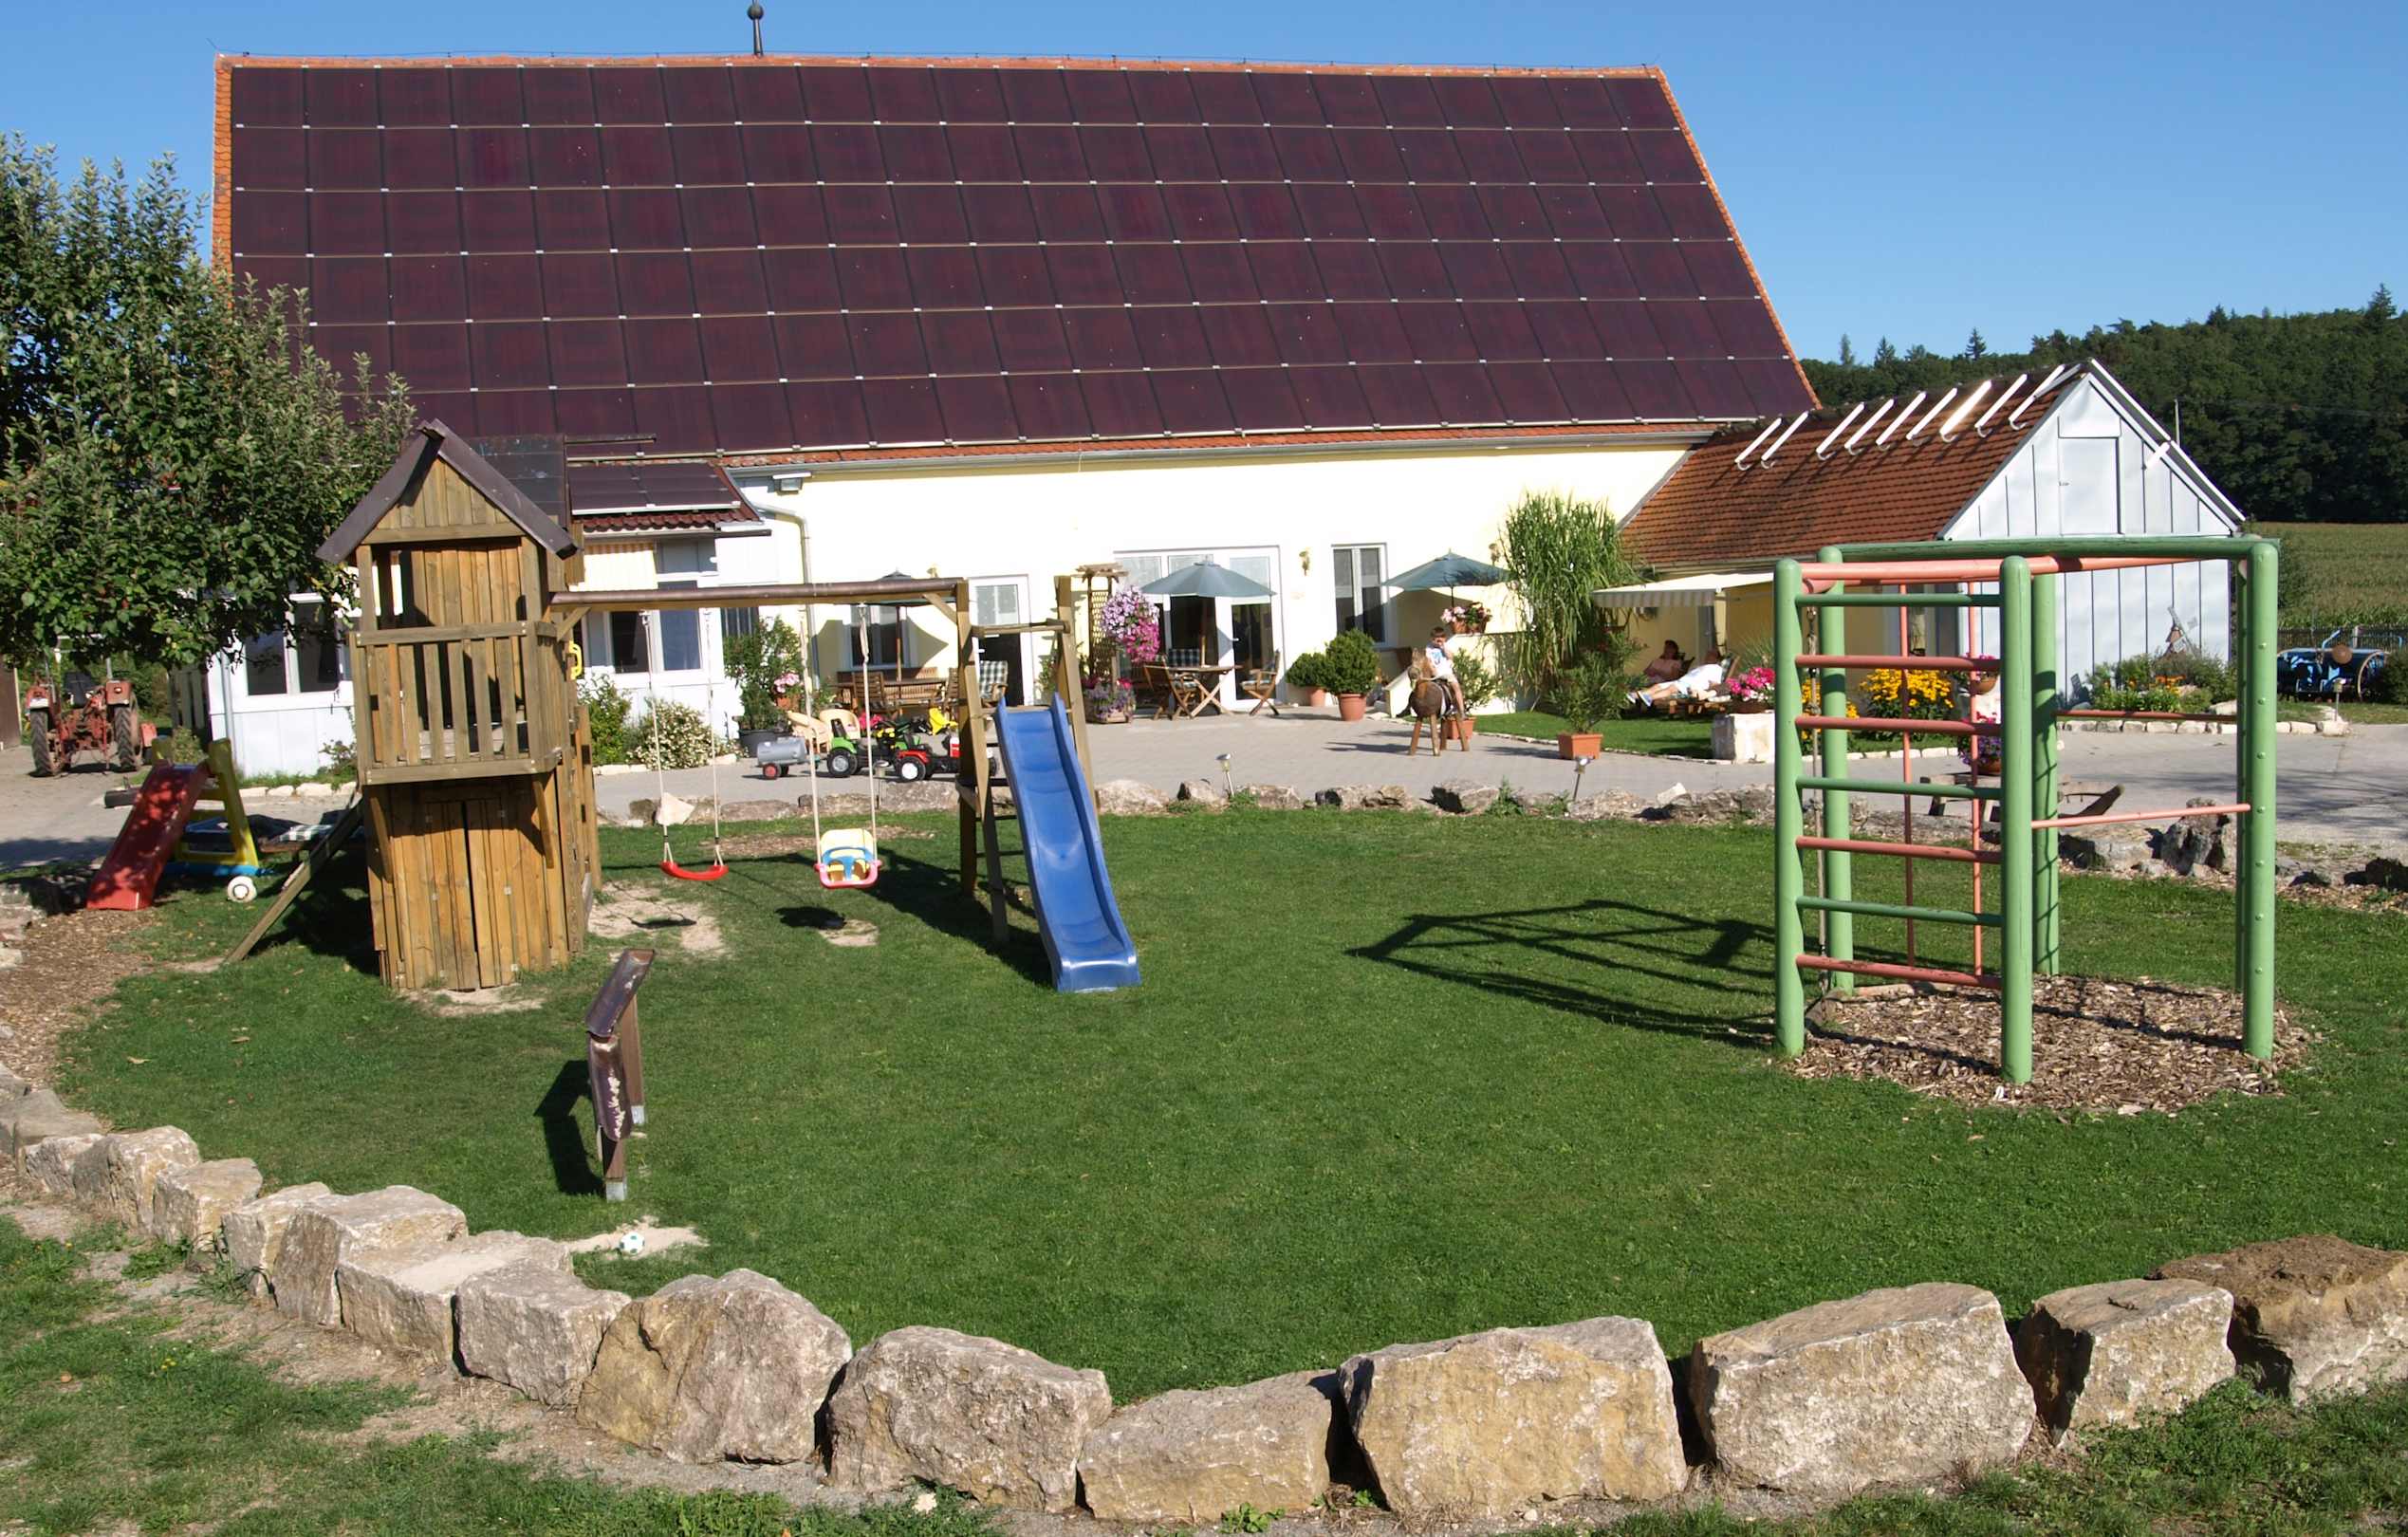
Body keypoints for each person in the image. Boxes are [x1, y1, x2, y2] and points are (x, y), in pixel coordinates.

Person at [1627, 647, 1725, 709]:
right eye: (1708, 654)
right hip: (1682, 681)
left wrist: (1707, 693)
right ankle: (1634, 696)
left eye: (1711, 655)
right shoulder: (1700, 666)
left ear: (1717, 659)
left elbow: (1714, 684)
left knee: (1671, 689)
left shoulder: (1716, 668)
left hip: (1691, 686)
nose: (1707, 656)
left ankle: (1649, 698)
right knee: (1658, 686)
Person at [1423, 624, 1467, 717]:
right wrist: (1433, 671)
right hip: (1436, 673)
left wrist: (1443, 647)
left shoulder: (1446, 646)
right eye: (1436, 640)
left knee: (1456, 686)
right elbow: (1429, 661)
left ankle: (1462, 710)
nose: (1438, 642)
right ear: (1432, 639)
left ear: (1444, 639)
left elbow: (1451, 657)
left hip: (1446, 672)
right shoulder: (1429, 648)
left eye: (1441, 639)